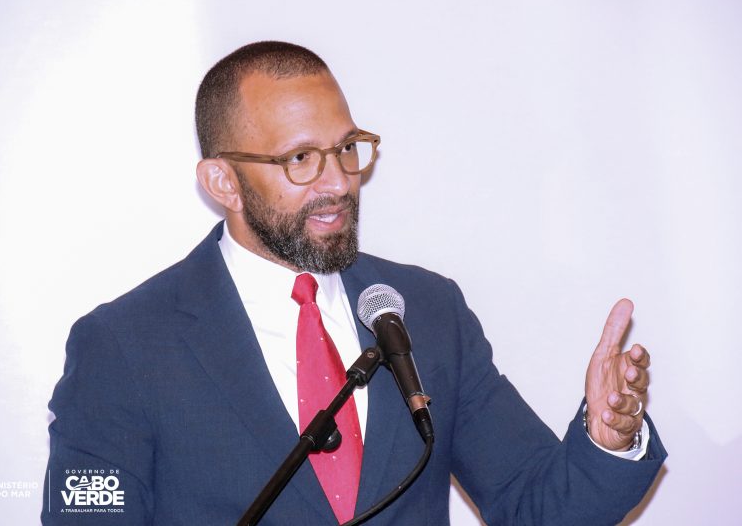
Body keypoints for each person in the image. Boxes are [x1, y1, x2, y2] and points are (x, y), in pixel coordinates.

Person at [42, 41, 666, 525]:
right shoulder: (124, 347)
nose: (339, 182)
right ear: (223, 182)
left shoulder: (429, 312)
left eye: (346, 149)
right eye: (300, 159)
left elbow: (535, 504)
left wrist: (606, 439)